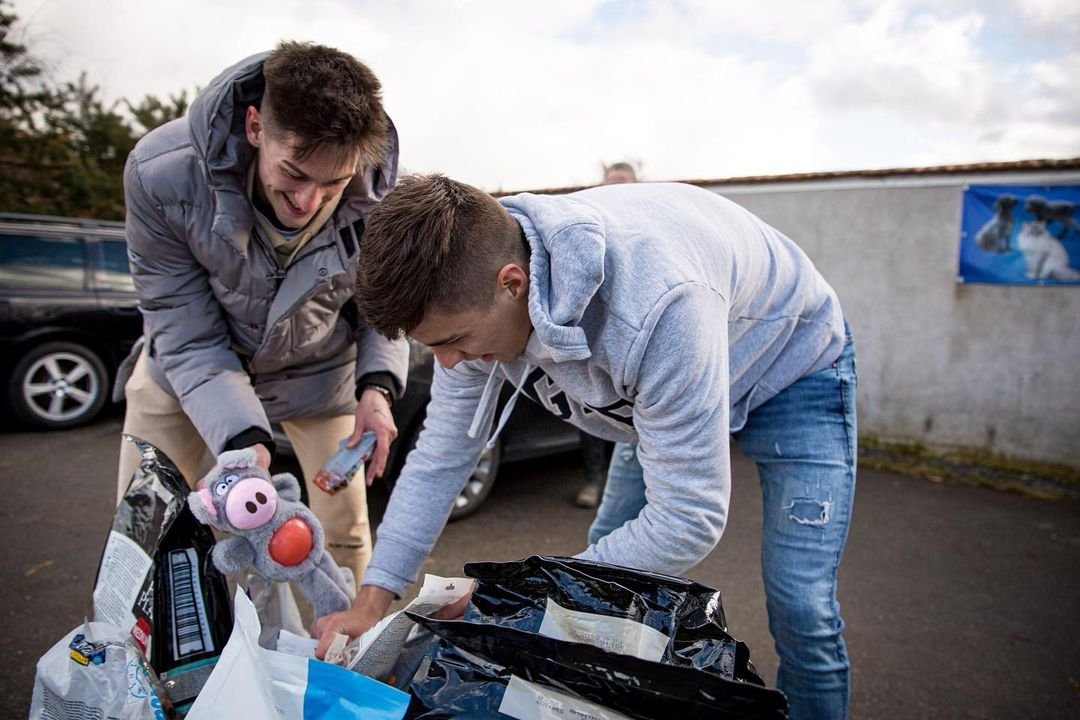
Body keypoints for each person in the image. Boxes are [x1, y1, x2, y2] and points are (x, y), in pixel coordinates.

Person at [318, 174, 858, 720]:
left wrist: (507, 598)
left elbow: (688, 518)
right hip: (667, 385)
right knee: (604, 579)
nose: (448, 363)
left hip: (792, 366)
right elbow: (441, 456)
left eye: (454, 341)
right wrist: (371, 602)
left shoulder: (658, 309)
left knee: (800, 605)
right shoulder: (471, 285)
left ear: (513, 284)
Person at [115, 41, 408, 588]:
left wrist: (378, 389)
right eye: (294, 173)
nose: (309, 201)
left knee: (344, 535)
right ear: (254, 126)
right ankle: (138, 635)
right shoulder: (158, 174)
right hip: (185, 372)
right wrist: (242, 435)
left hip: (320, 375)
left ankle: (347, 635)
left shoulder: (386, 198)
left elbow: (384, 308)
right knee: (144, 524)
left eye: (334, 183)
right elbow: (180, 321)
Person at [572, 162, 637, 508]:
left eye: (622, 184)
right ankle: (593, 480)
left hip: (630, 343)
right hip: (593, 339)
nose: (615, 191)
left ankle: (623, 491)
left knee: (629, 417)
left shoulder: (641, 228)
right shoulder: (589, 225)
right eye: (610, 184)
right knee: (591, 409)